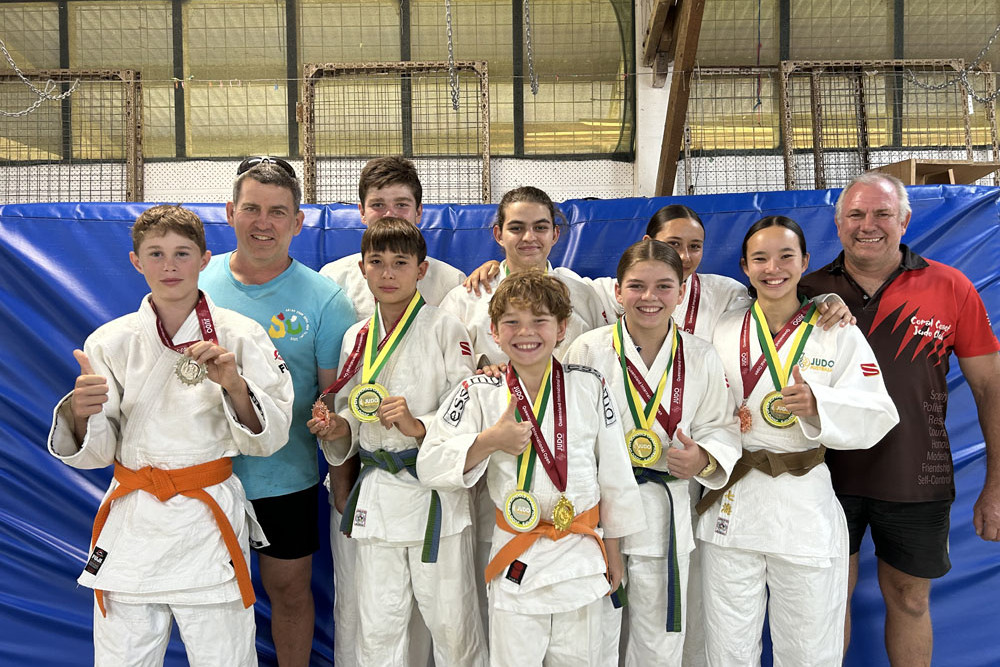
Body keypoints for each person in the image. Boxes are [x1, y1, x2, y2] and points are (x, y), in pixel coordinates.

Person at [48, 204, 294, 666]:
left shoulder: (241, 335)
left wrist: (236, 386)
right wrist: (81, 416)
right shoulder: (110, 340)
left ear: (204, 260)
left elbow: (270, 436)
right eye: (156, 254)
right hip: (135, 520)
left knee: (225, 657)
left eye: (182, 254)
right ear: (136, 261)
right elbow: (98, 450)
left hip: (207, 520)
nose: (169, 266)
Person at [799, 172, 1000, 665]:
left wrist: (996, 484)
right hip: (823, 477)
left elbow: (990, 387)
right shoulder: (804, 289)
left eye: (882, 213)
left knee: (910, 600)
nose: (869, 225)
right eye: (856, 215)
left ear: (905, 220)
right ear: (838, 222)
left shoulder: (951, 286)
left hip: (916, 477)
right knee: (826, 605)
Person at [418, 271, 645, 667]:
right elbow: (431, 464)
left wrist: (615, 553)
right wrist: (490, 441)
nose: (526, 332)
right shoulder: (478, 391)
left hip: (583, 554)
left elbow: (615, 474)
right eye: (512, 322)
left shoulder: (590, 385)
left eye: (540, 320)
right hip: (516, 559)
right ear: (494, 330)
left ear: (562, 329)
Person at [699, 216, 899, 665]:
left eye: (786, 256)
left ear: (805, 262)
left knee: (809, 646)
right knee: (727, 646)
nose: (774, 268)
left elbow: (880, 412)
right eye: (760, 258)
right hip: (734, 498)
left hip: (803, 502)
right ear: (744, 268)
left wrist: (820, 406)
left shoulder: (835, 329)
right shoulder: (722, 328)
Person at [200, 157, 356, 666]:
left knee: (289, 594)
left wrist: (336, 464)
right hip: (202, 473)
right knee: (209, 600)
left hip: (283, 477)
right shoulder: (193, 285)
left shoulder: (325, 299)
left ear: (298, 221)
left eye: (277, 211)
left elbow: (335, 400)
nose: (262, 223)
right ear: (229, 212)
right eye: (251, 209)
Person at [313, 217, 486, 666]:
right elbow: (354, 409)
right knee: (378, 625)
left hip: (433, 495)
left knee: (453, 625)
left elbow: (469, 403)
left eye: (399, 263)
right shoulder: (357, 336)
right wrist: (339, 429)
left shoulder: (445, 328)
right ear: (363, 268)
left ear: (421, 269)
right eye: (377, 262)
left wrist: (420, 425)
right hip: (378, 494)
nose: (388, 273)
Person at [564, 240, 742, 666]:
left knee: (658, 641)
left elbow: (722, 424)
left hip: (666, 512)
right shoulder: (587, 350)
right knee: (592, 636)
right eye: (637, 286)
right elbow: (563, 427)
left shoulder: (699, 354)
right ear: (618, 292)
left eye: (664, 286)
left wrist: (703, 458)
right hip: (596, 514)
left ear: (681, 291)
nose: (649, 297)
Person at [464, 204, 749, 342]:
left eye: (695, 246)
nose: (684, 256)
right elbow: (541, 282)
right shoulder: (602, 291)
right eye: (673, 244)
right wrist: (498, 268)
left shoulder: (726, 293)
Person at [439, 185, 607, 366]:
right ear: (499, 235)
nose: (528, 237)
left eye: (540, 227)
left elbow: (604, 355)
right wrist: (480, 370)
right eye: (517, 228)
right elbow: (443, 364)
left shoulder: (584, 296)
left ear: (555, 234)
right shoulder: (464, 300)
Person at [319, 155, 467, 320]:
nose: (390, 214)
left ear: (418, 212)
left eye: (401, 205)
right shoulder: (333, 279)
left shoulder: (452, 282)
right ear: (362, 212)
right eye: (378, 205)